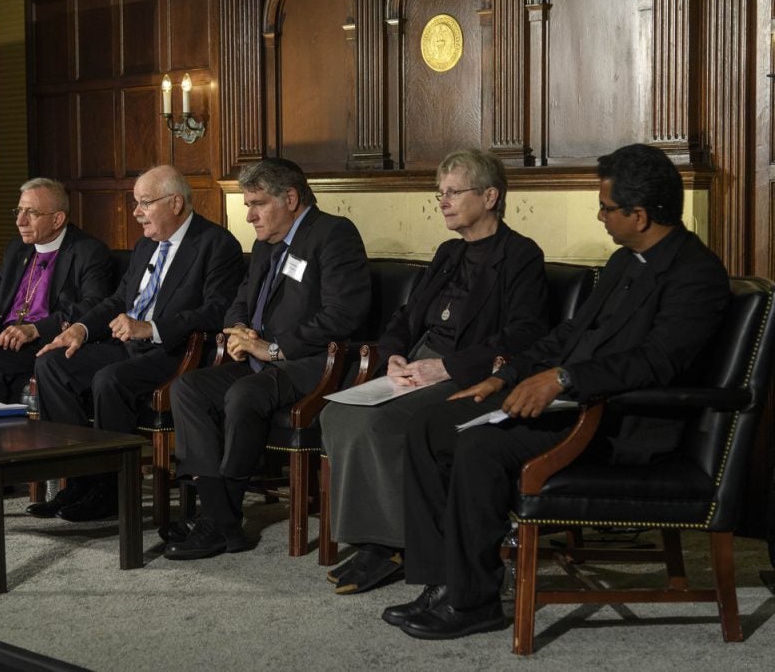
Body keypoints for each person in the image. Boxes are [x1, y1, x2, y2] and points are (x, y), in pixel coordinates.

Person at [383, 143, 730, 641]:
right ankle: (442, 583)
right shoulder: (624, 262)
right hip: (574, 406)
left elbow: (658, 361)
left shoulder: (696, 275)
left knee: (478, 445)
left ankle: (474, 601)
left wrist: (564, 379)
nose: (600, 216)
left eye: (607, 208)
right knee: (431, 424)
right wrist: (505, 375)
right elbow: (567, 337)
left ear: (640, 214)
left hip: (621, 423)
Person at [321, 149, 550, 594]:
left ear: (489, 196)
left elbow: (524, 335)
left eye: (452, 192)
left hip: (466, 373)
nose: (442, 201)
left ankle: (393, 546)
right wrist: (393, 356)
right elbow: (406, 318)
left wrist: (445, 367)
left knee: (380, 423)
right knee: (337, 414)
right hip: (416, 365)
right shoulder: (448, 252)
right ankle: (372, 539)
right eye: (439, 193)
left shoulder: (520, 255)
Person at [164, 157, 372, 561]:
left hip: (309, 364)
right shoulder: (264, 244)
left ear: (290, 198)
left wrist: (273, 348)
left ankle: (216, 520)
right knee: (187, 387)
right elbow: (237, 300)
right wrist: (238, 328)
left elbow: (344, 315)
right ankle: (222, 519)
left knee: (243, 394)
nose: (250, 214)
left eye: (257, 203)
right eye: (247, 204)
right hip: (258, 360)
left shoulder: (333, 234)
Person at [27, 165, 244, 522]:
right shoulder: (146, 245)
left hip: (177, 351)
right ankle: (80, 481)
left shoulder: (216, 244)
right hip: (130, 345)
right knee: (52, 364)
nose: (136, 212)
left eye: (144, 203)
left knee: (109, 379)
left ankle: (111, 492)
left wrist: (152, 328)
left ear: (175, 203)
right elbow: (117, 300)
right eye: (135, 203)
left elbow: (217, 311)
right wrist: (81, 328)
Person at [0, 177, 113, 502]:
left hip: (45, 342)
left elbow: (91, 305)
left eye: (30, 213)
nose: (19, 221)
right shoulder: (18, 248)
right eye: (19, 211)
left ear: (57, 219)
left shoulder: (88, 251)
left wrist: (36, 329)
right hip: (3, 338)